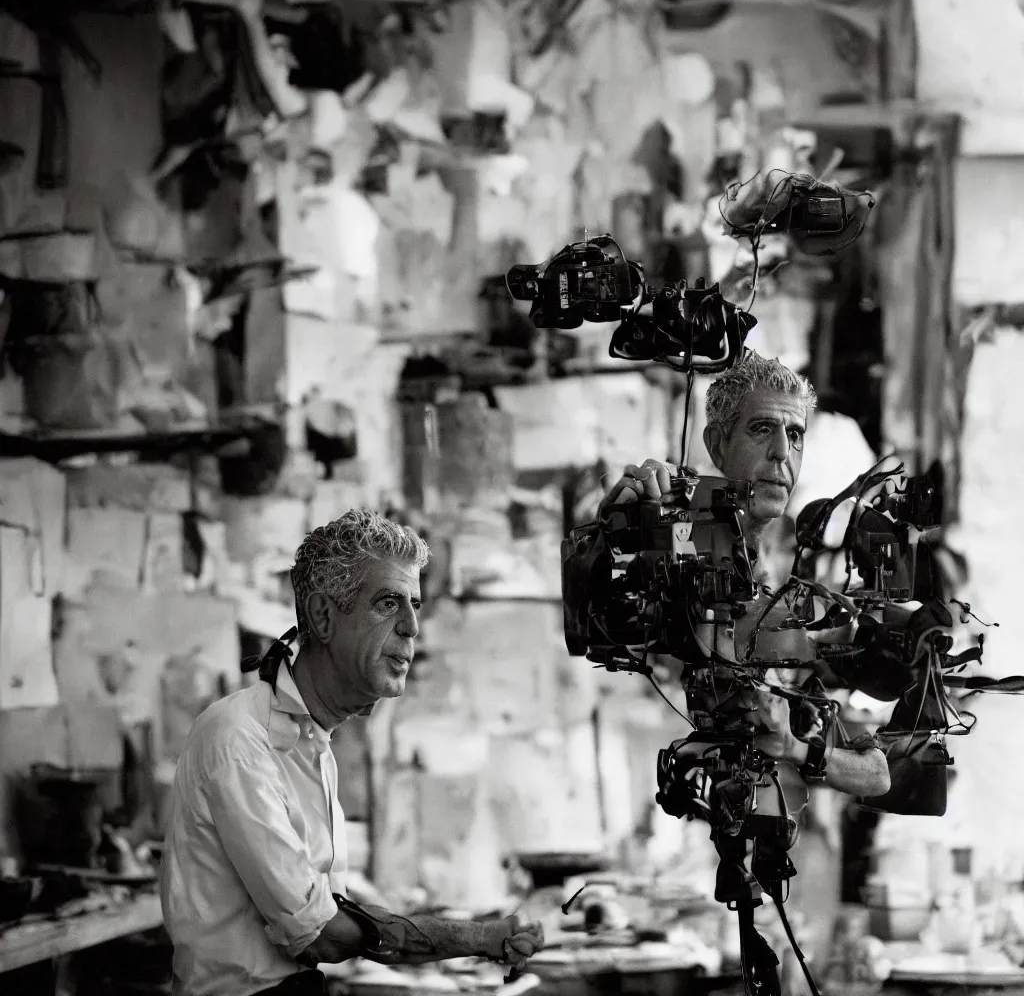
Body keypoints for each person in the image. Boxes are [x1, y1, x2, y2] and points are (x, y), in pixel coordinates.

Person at [160, 509, 545, 996]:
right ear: (323, 616)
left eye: (415, 605)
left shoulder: (313, 742)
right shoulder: (238, 740)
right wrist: (477, 937)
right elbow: (320, 933)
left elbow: (331, 907)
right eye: (388, 602)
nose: (411, 627)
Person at [602, 351, 890, 800]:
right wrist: (620, 525)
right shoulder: (684, 530)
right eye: (762, 430)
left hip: (782, 805)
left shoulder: (805, 562)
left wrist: (795, 746)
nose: (782, 453)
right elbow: (619, 598)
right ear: (718, 445)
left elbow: (878, 776)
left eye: (795, 435)